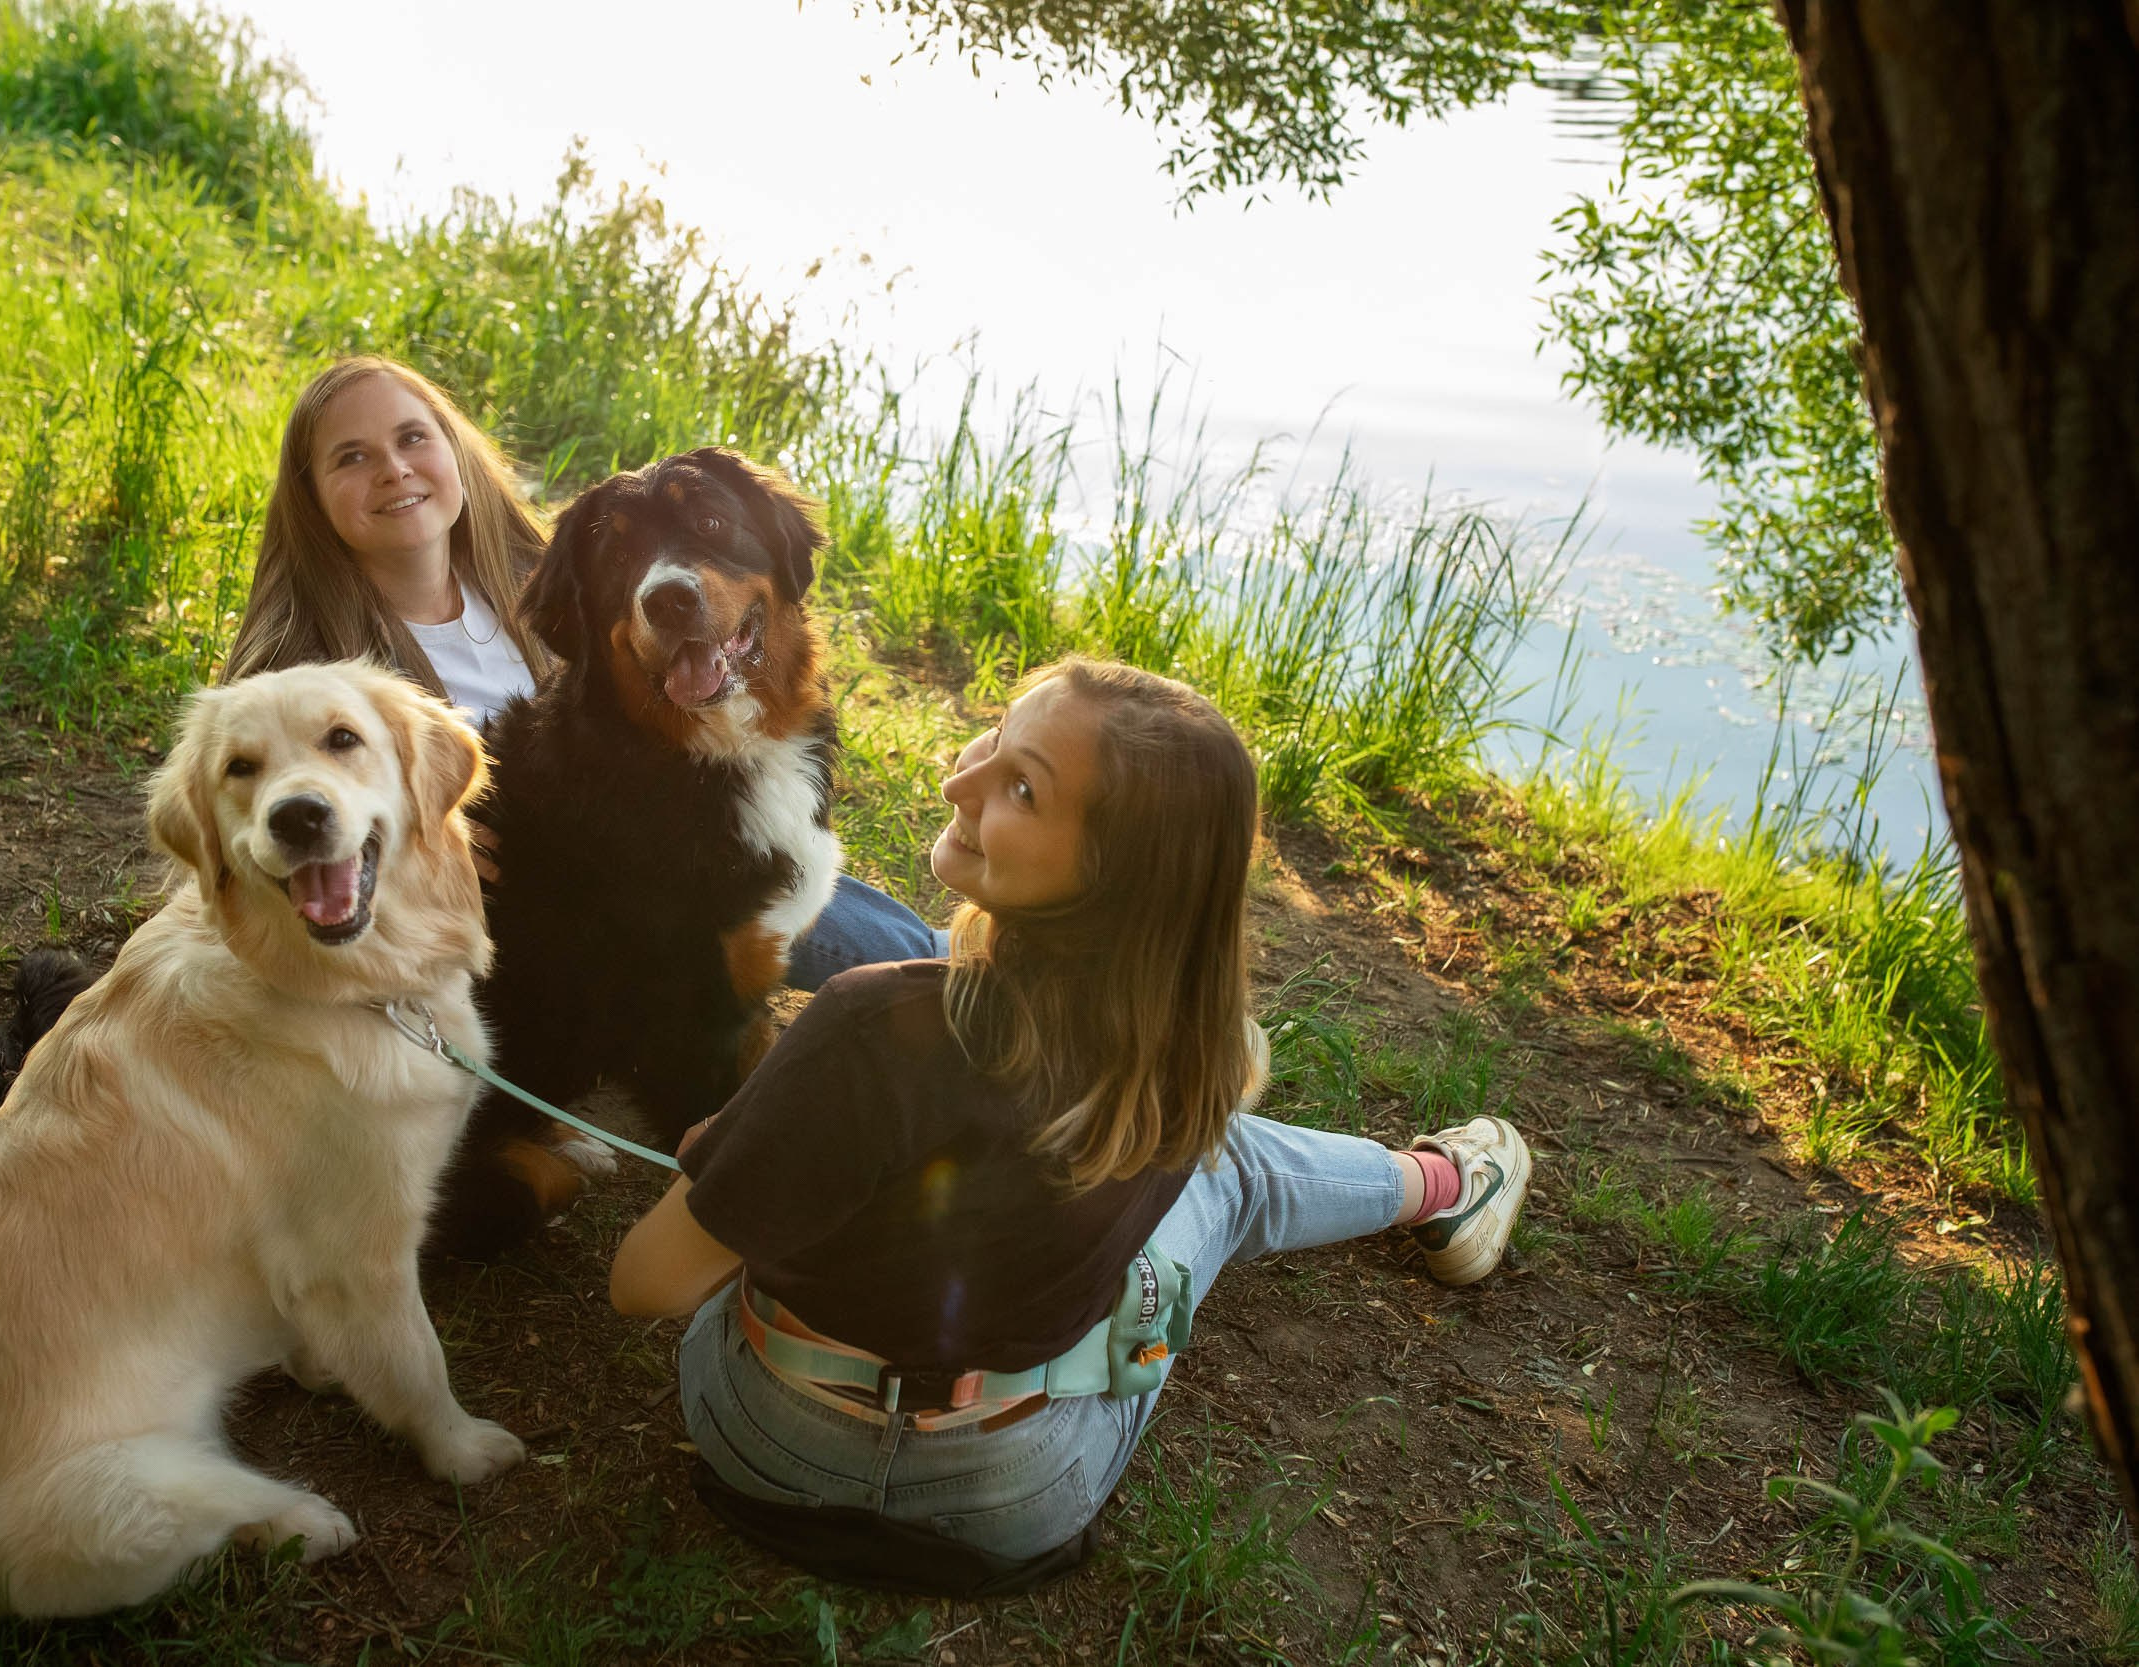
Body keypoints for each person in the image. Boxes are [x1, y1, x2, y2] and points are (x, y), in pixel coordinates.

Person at [606, 656, 1530, 1587]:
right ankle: (1447, 1186)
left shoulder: (866, 1024)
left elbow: (644, 1283)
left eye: (1020, 786)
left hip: (765, 1442)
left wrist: (726, 1158)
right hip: (1012, 1492)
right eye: (998, 741)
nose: (956, 781)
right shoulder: (1197, 1053)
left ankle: (1444, 1188)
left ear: (1107, 873)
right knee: (1228, 1159)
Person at [221, 354, 942, 983]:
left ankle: (943, 956)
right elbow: (256, 827)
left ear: (456, 452)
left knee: (770, 856)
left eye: (413, 437)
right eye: (351, 456)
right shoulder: (308, 672)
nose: (394, 469)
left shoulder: (529, 575)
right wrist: (420, 844)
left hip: (652, 824)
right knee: (741, 886)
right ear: (310, 495)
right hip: (528, 905)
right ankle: (938, 970)